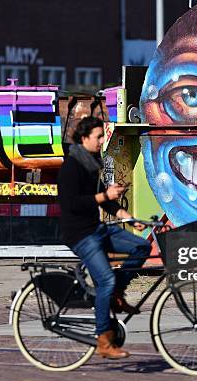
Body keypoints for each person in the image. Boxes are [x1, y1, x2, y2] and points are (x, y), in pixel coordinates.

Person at [58, 116, 152, 359]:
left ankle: (116, 296)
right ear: (84, 138)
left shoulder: (91, 163)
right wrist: (104, 196)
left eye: (103, 136)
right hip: (80, 235)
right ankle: (103, 339)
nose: (102, 141)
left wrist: (129, 218)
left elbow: (105, 201)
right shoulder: (71, 166)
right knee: (106, 280)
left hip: (97, 228)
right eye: (98, 137)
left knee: (141, 246)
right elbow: (72, 204)